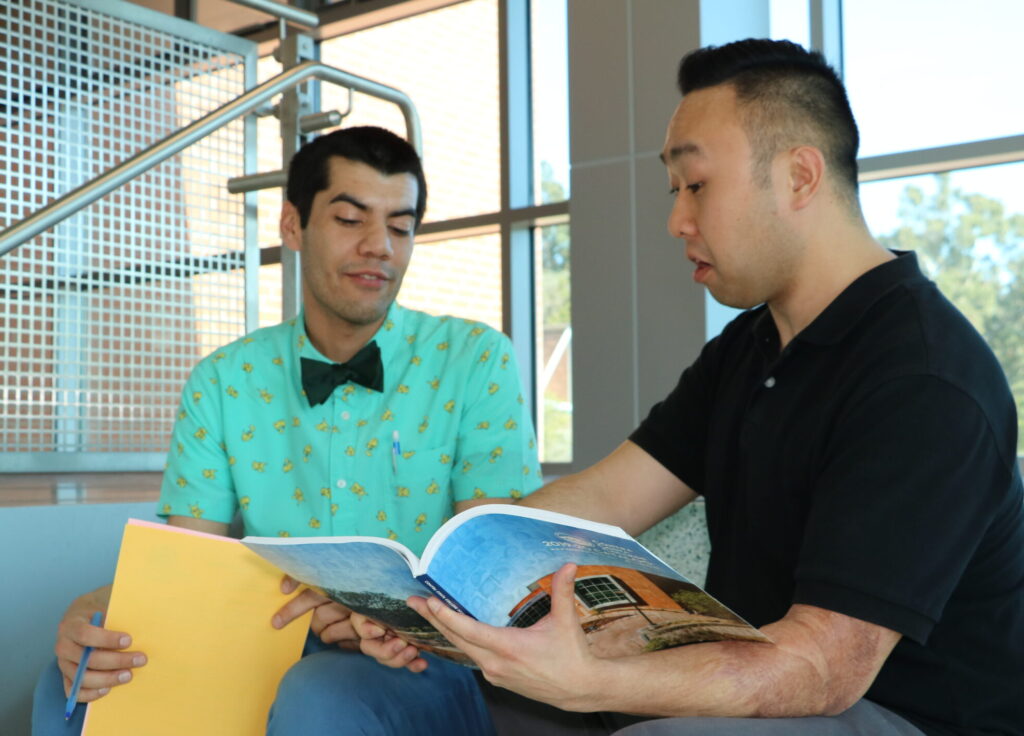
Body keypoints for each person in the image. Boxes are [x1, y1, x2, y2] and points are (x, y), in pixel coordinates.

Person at [382, 39, 1023, 736]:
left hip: (893, 713)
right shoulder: (751, 347)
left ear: (800, 177)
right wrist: (425, 597)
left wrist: (596, 681)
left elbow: (824, 667)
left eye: (697, 186)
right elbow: (601, 500)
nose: (676, 220)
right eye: (674, 190)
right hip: (759, 679)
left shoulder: (923, 380)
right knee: (451, 695)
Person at [32, 125, 543, 736]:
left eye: (400, 226)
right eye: (351, 219)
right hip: (267, 642)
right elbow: (188, 563)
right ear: (293, 226)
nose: (380, 245)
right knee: (76, 681)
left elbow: (495, 574)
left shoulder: (474, 359)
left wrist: (373, 613)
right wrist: (91, 614)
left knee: (319, 692)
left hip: (428, 661)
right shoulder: (224, 379)